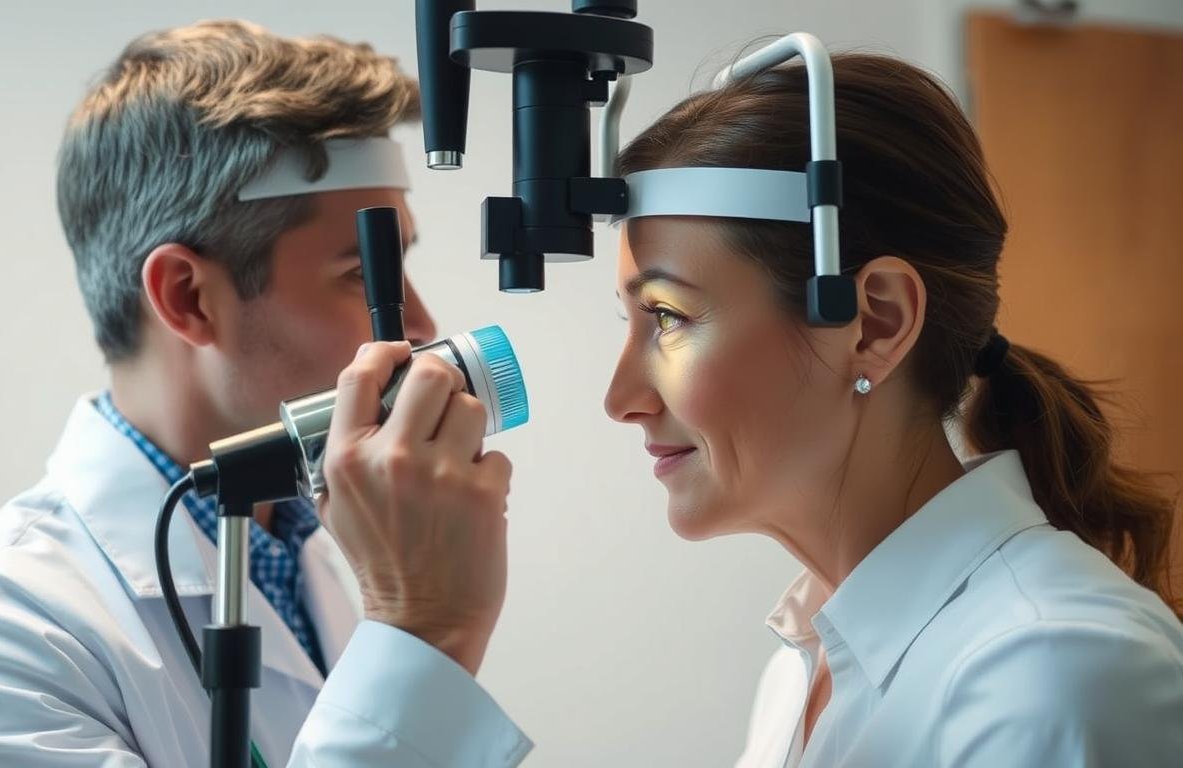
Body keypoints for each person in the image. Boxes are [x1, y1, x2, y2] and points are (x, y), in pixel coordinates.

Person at [293, 51, 1183, 766]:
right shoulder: (807, 667)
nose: (620, 400)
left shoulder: (1053, 679)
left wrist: (420, 624)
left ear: (876, 321)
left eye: (668, 318)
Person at [0, 20, 529, 766]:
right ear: (187, 297)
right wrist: (419, 626)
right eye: (362, 275)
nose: (423, 324)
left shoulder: (296, 555)